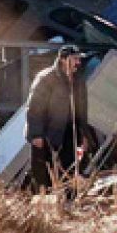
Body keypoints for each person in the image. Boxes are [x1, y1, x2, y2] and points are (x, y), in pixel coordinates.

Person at [25, 45, 92, 196]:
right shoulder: (46, 78)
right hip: (47, 134)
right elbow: (34, 108)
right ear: (62, 59)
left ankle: (68, 202)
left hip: (70, 134)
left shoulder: (79, 81)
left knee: (70, 170)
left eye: (78, 59)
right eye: (74, 59)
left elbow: (82, 111)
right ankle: (41, 202)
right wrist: (36, 135)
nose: (78, 63)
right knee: (43, 172)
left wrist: (85, 135)